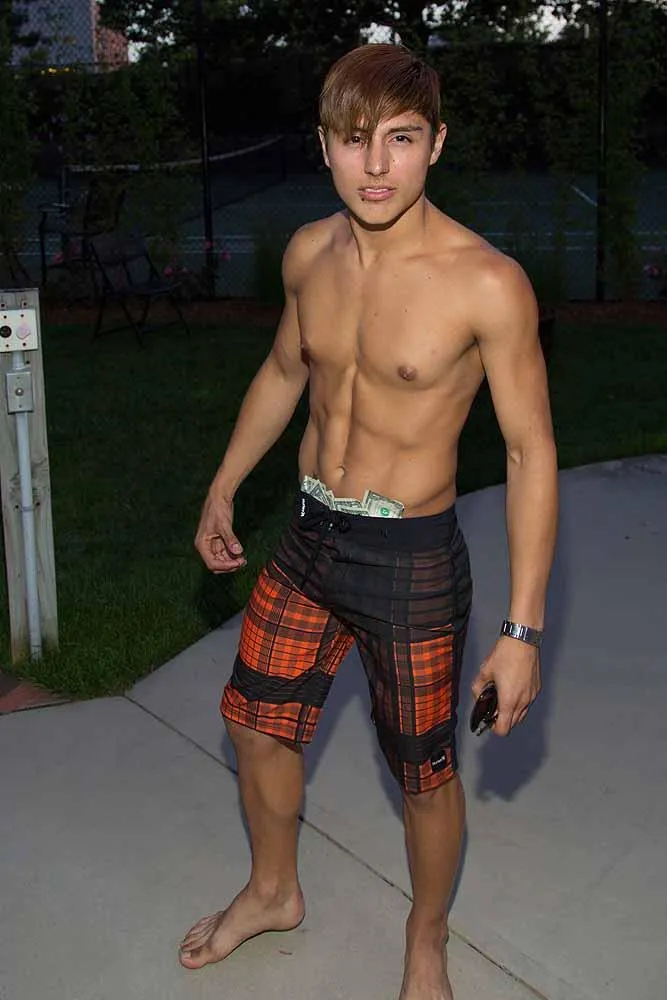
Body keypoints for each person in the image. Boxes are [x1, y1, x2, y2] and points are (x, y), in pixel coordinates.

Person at [179, 43, 558, 1000]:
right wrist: (224, 484)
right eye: (355, 141)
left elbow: (528, 453)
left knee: (423, 774)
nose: (377, 165)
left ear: (437, 144)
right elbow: (283, 371)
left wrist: (521, 631)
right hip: (310, 539)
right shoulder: (308, 254)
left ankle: (425, 939)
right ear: (323, 146)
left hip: (409, 560)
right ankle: (273, 891)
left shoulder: (486, 283)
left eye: (401, 138)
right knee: (253, 725)